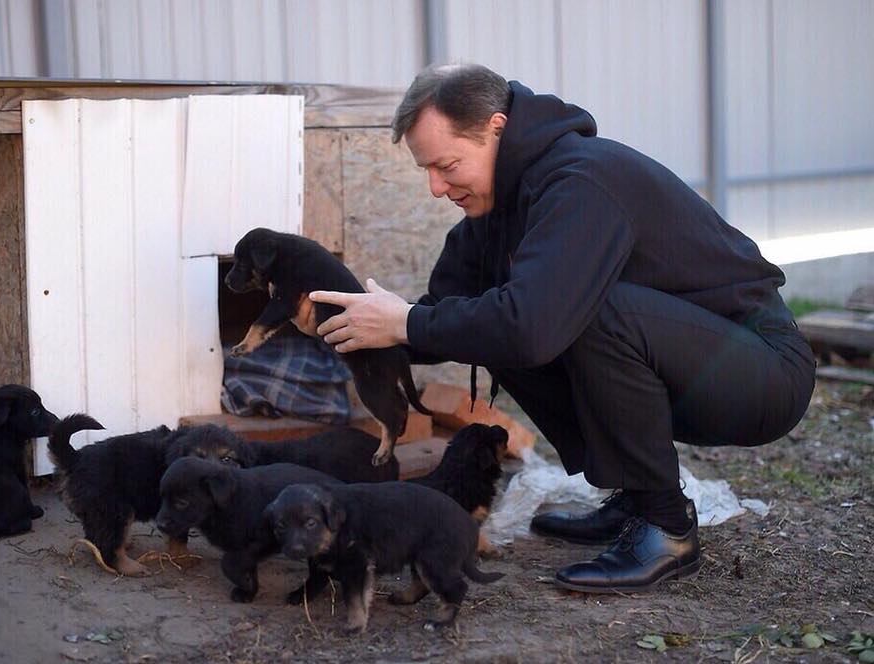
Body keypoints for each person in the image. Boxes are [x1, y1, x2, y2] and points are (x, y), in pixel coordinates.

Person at [300, 63, 815, 593]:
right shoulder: (494, 209)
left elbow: (527, 327)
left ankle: (667, 528)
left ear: (496, 128)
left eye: (446, 165)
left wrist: (407, 322)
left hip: (762, 370)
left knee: (567, 314)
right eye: (426, 170)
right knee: (495, 320)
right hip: (687, 364)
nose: (436, 187)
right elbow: (442, 316)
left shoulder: (581, 182)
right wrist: (355, 326)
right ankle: (637, 499)